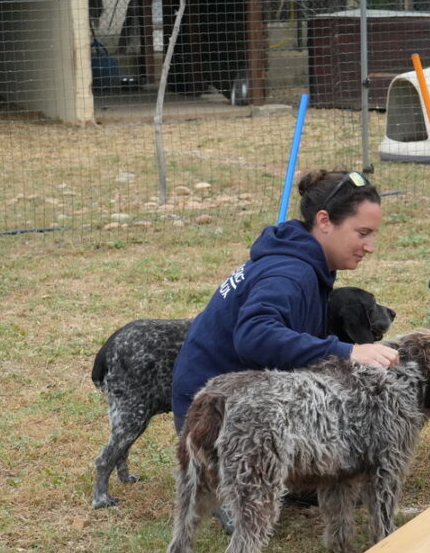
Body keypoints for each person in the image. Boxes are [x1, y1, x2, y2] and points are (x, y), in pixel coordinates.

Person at [171, 169, 399, 432]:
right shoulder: (290, 273)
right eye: (362, 233)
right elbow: (255, 335)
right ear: (324, 221)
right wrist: (349, 352)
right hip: (213, 417)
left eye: (373, 234)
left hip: (228, 398)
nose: (370, 246)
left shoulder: (303, 259)